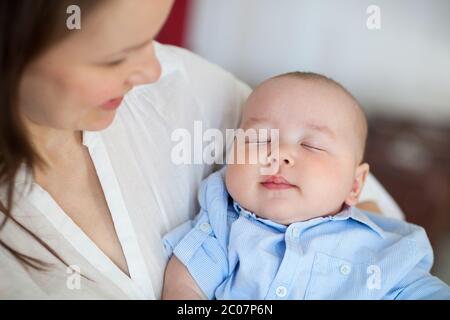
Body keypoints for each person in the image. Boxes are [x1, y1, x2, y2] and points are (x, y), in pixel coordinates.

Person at [0, 0, 395, 299]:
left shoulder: (186, 86)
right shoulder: (222, 223)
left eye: (149, 39)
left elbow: (381, 218)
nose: (151, 71)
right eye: (115, 58)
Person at [162, 72, 450, 299]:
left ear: (355, 184)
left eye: (311, 145)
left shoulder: (383, 251)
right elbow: (186, 279)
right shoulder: (223, 223)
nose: (279, 153)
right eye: (259, 139)